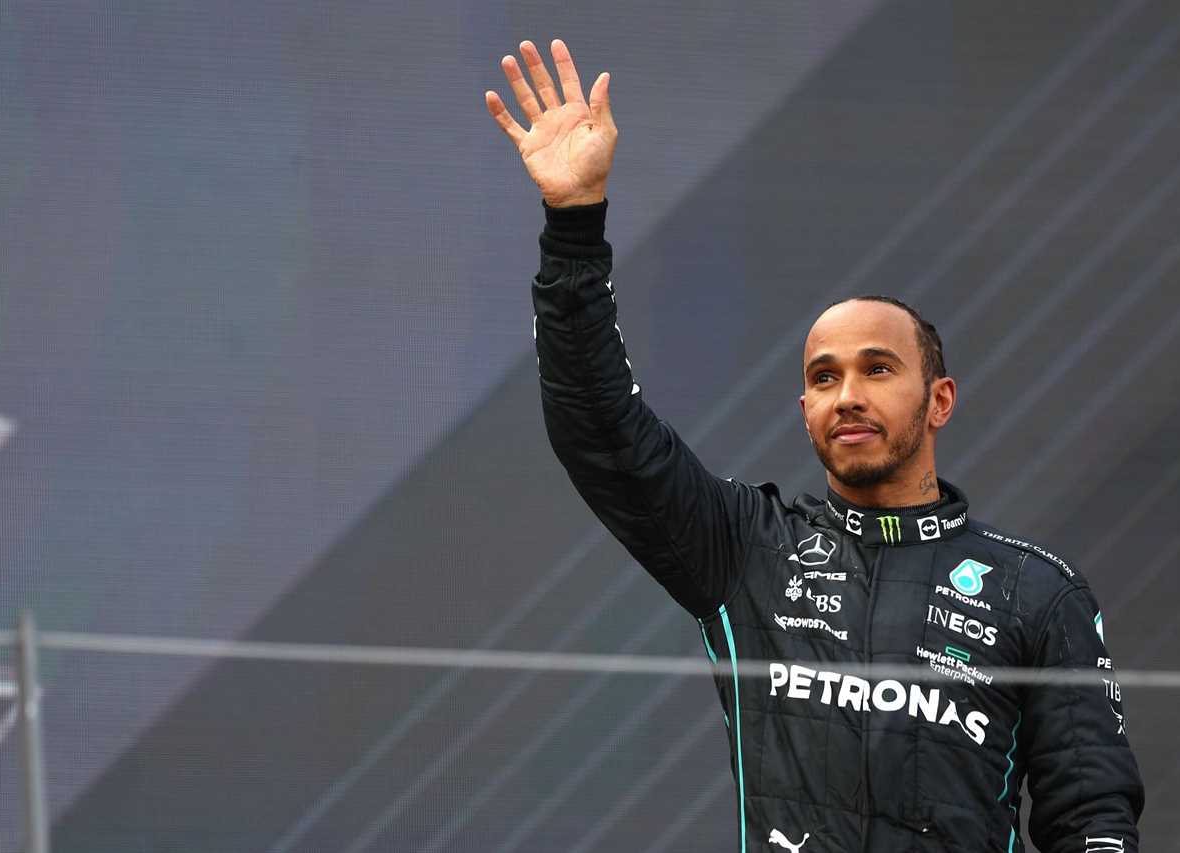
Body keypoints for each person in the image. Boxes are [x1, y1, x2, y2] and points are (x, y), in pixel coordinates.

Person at [485, 38, 1143, 853]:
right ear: (805, 410)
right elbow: (599, 429)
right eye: (824, 378)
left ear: (939, 399)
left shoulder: (1037, 593)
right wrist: (574, 230)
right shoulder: (746, 549)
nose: (850, 395)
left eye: (878, 369)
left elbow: (1094, 819)